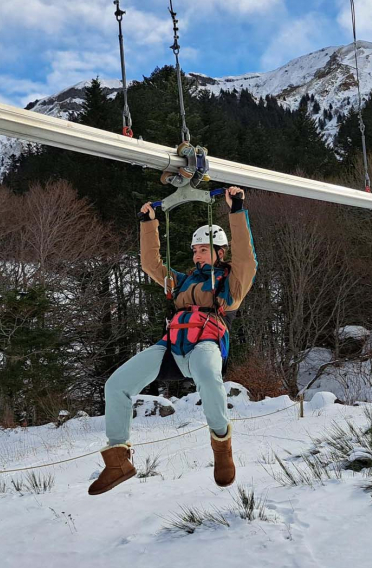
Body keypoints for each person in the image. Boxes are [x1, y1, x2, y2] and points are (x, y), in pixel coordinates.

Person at [88, 186, 258, 495]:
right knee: (116, 385)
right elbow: (151, 265)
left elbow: (247, 257)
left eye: (202, 249)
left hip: (206, 344)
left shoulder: (231, 281)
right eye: (194, 250)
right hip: (171, 347)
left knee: (208, 376)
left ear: (220, 252)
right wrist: (148, 223)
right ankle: (117, 461)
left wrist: (236, 211)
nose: (196, 255)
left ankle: (222, 447)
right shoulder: (182, 281)